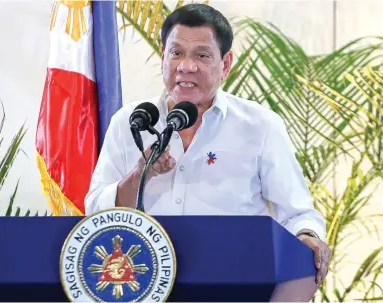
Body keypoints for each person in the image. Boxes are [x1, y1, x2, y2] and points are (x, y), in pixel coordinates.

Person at [84, 3, 330, 285]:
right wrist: (140, 174)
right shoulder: (131, 122)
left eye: (201, 55)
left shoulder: (259, 126)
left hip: (234, 286)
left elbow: (299, 213)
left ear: (225, 64)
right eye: (176, 53)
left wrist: (308, 237)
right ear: (164, 57)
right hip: (141, 286)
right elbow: (95, 215)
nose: (186, 66)